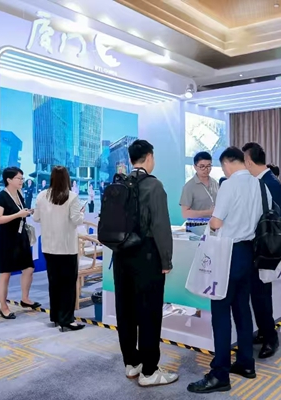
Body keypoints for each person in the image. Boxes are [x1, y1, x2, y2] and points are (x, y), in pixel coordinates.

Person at [188, 147, 272, 394]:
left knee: (221, 312)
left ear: (227, 164)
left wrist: (215, 224)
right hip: (249, 253)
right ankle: (246, 363)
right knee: (242, 309)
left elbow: (216, 221)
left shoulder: (229, 185)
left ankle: (220, 374)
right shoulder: (260, 185)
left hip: (227, 252)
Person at [112, 139, 179, 387]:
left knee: (126, 311)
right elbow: (161, 226)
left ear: (131, 160)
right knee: (149, 312)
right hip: (147, 254)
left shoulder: (119, 183)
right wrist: (166, 259)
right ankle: (150, 371)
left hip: (121, 255)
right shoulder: (153, 185)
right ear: (149, 157)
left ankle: (132, 363)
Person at [242, 142, 281, 359]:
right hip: (257, 245)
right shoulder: (262, 181)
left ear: (249, 161)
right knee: (257, 293)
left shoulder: (269, 182)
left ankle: (271, 337)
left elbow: (280, 216)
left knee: (262, 294)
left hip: (265, 246)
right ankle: (263, 331)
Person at [33, 166, 86, 332]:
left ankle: (56, 316)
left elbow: (36, 217)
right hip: (67, 247)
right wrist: (82, 213)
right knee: (68, 285)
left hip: (48, 247)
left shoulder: (41, 195)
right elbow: (77, 220)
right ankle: (67, 319)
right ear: (67, 179)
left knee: (54, 283)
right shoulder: (72, 197)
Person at [0, 167, 41, 319]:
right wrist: (18, 214)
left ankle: (25, 299)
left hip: (21, 237)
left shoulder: (19, 194)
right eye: (18, 178)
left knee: (29, 268)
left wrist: (28, 212)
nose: (21, 181)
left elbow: (20, 212)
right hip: (6, 238)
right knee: (5, 273)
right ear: (9, 180)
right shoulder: (0, 197)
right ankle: (3, 307)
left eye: (22, 178)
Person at [180, 151, 219, 219]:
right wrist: (209, 212)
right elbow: (185, 214)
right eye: (202, 166)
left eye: (208, 166)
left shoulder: (215, 183)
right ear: (195, 167)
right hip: (197, 224)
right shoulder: (189, 186)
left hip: (216, 223)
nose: (206, 169)